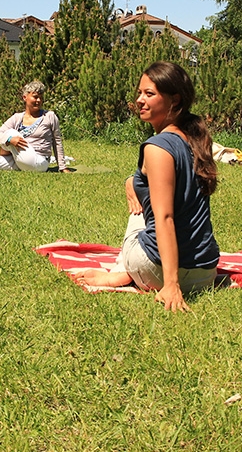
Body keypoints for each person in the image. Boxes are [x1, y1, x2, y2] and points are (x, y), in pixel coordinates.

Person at [75, 61, 221, 312]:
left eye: (149, 94)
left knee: (141, 211)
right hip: (205, 274)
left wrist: (172, 284)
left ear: (174, 100)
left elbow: (165, 217)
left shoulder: (157, 147)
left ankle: (119, 273)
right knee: (147, 198)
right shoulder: (196, 139)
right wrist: (132, 181)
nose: (139, 100)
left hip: (156, 271)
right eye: (139, 93)